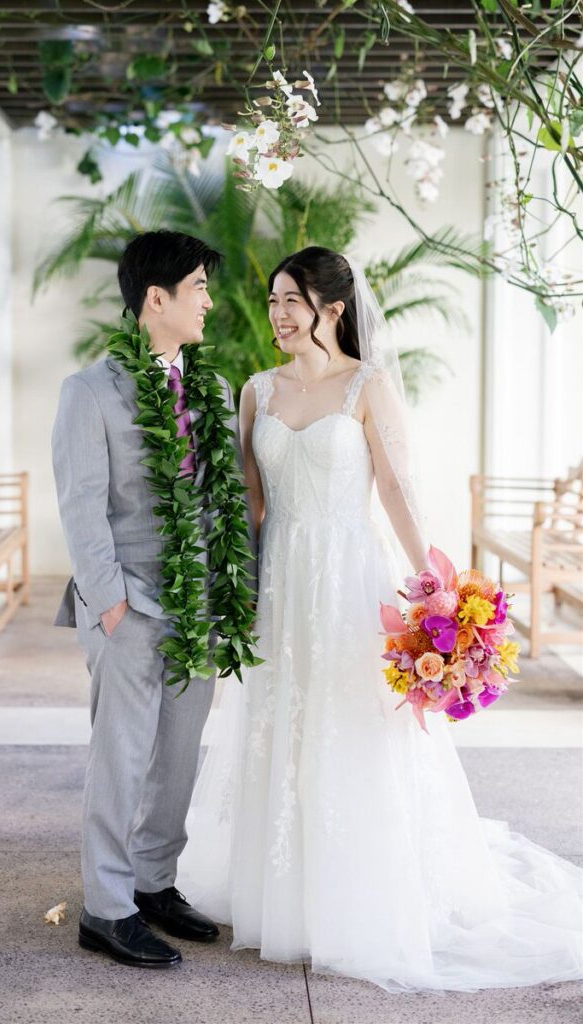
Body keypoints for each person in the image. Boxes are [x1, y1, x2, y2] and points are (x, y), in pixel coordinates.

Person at [176, 246, 583, 992]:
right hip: (280, 585)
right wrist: (231, 593)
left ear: (332, 309)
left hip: (347, 581)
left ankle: (356, 894)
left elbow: (395, 489)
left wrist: (433, 578)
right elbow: (251, 500)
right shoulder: (256, 391)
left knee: (350, 723)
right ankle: (281, 892)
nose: (277, 316)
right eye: (271, 302)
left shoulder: (367, 385)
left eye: (290, 301)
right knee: (280, 719)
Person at [52, 230, 248, 968]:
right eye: (197, 286)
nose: (208, 300)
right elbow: (80, 505)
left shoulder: (213, 387)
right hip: (127, 602)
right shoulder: (89, 391)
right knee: (121, 757)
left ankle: (154, 883)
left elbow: (222, 501)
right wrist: (110, 606)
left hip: (195, 601)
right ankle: (105, 908)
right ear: (154, 299)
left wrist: (230, 593)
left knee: (178, 756)